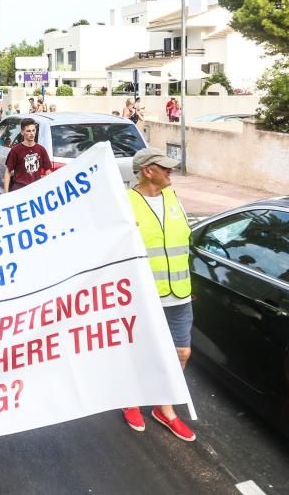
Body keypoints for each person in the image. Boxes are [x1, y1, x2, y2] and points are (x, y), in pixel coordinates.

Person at [122, 147, 195, 442]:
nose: (170, 172)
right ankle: (132, 399)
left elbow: (184, 242)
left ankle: (164, 408)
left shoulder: (173, 198)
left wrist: (192, 285)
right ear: (147, 171)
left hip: (180, 293)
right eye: (164, 168)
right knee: (140, 351)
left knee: (182, 353)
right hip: (144, 295)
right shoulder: (127, 202)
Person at [4, 117, 52, 192]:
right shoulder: (15, 150)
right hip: (20, 190)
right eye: (28, 131)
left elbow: (48, 171)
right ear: (22, 132)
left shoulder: (41, 149)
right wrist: (6, 193)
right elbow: (8, 172)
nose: (32, 133)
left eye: (33, 130)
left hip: (36, 190)